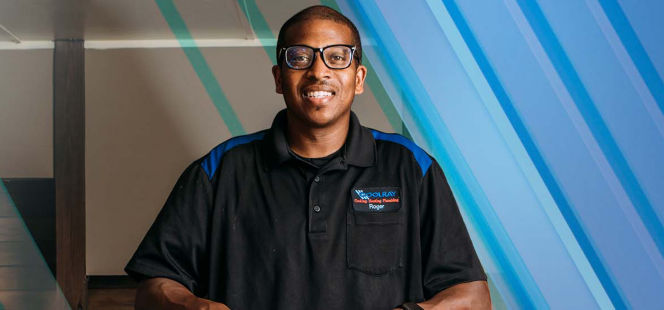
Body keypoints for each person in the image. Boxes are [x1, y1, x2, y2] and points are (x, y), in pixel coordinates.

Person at [124, 5, 492, 310]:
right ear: (279, 78)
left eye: (337, 57)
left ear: (359, 78)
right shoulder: (220, 169)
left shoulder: (411, 167)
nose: (318, 71)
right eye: (299, 57)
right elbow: (153, 288)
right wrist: (193, 306)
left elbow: (473, 297)